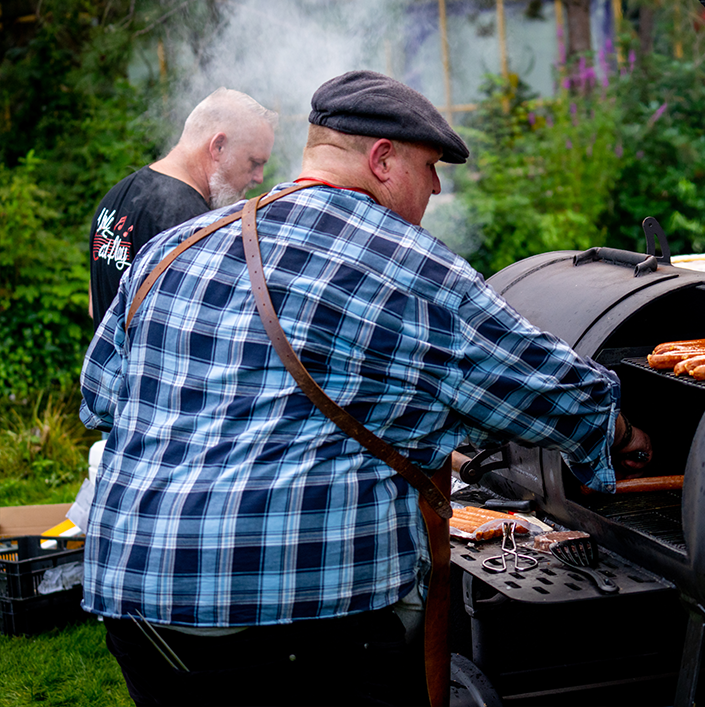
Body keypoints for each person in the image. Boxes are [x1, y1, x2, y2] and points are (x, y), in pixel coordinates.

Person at [79, 70, 652, 706]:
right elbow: (547, 389)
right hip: (297, 620)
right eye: (430, 166)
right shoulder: (411, 264)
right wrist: (622, 431)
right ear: (382, 159)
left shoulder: (177, 246)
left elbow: (101, 398)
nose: (437, 186)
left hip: (138, 605)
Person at [88, 87, 277, 329]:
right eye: (254, 162)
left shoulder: (114, 197)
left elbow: (95, 308)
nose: (259, 178)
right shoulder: (191, 222)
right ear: (218, 146)